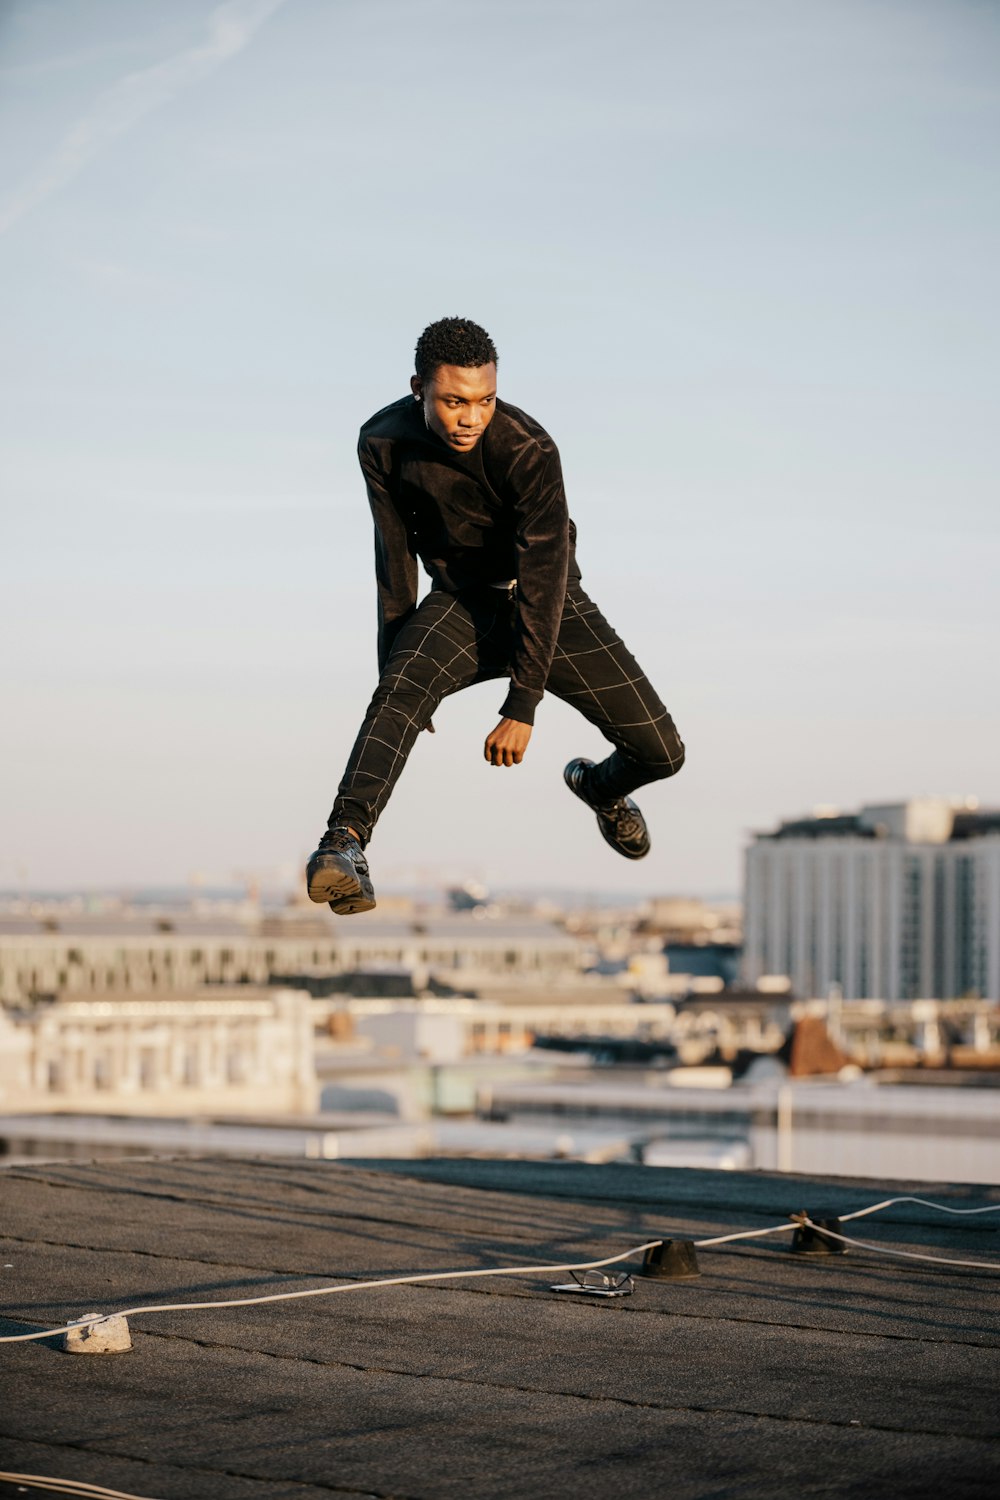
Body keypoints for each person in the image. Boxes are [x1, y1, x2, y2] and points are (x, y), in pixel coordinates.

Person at [306, 317, 685, 914]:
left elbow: (543, 573)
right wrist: (394, 658)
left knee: (662, 753)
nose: (471, 418)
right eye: (454, 401)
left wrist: (522, 703)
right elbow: (393, 551)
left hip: (549, 600)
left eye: (484, 401)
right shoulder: (381, 442)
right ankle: (343, 843)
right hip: (461, 602)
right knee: (400, 689)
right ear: (418, 389)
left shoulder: (528, 449)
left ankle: (599, 789)